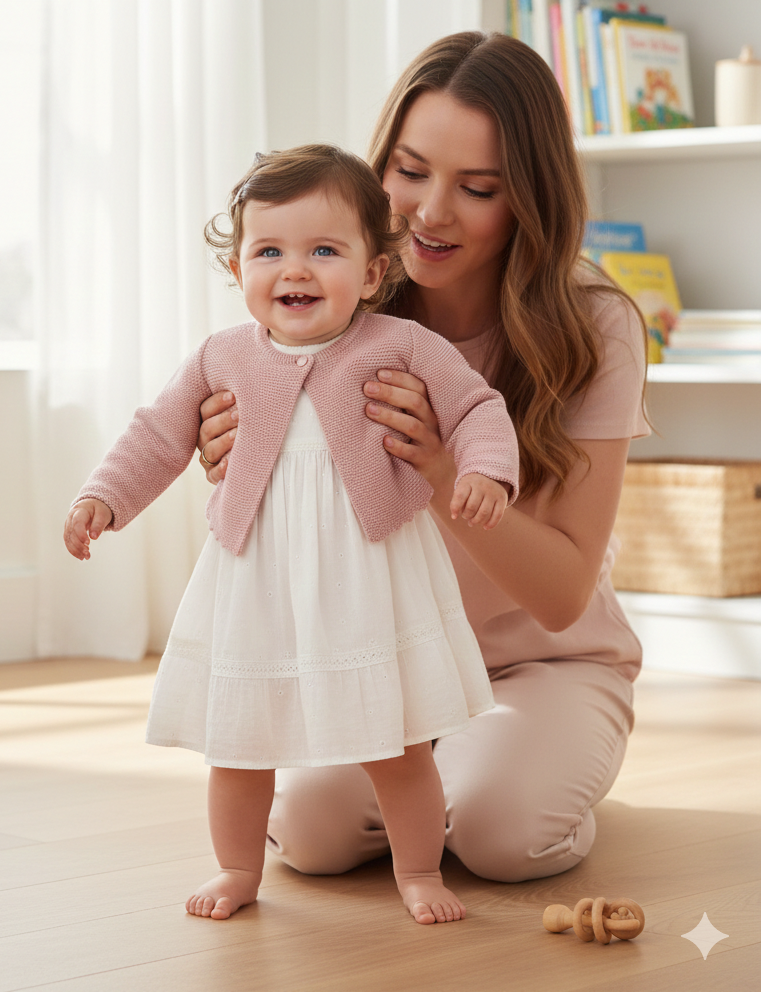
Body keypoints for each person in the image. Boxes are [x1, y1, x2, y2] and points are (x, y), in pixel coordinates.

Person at [195, 32, 649, 885]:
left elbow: (559, 597)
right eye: (408, 172)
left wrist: (441, 471)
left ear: (530, 201)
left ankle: (525, 774)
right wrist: (226, 455)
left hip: (541, 663)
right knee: (312, 834)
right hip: (385, 654)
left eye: (478, 188)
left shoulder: (595, 328)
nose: (430, 213)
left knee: (500, 835)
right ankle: (459, 778)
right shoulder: (333, 300)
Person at [65, 144, 521, 924]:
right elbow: (160, 434)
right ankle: (238, 869)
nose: (295, 270)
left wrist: (484, 471)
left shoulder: (400, 346)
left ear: (374, 273)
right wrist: (106, 493)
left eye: (324, 251)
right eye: (269, 251)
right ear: (237, 268)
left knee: (397, 741)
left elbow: (478, 407)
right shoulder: (221, 356)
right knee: (239, 744)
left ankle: (417, 872)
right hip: (257, 577)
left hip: (368, 575)